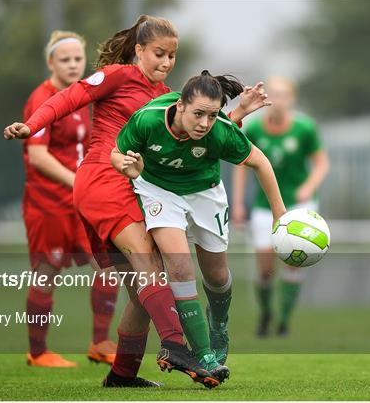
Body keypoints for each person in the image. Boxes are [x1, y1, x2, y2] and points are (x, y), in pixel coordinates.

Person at [5, 15, 224, 389]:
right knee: (148, 263)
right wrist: (34, 125)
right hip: (102, 181)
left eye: (172, 56)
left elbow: (201, 131)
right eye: (159, 54)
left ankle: (122, 376)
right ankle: (175, 345)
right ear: (139, 50)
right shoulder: (118, 76)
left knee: (141, 295)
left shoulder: (168, 98)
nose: (166, 63)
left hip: (131, 189)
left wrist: (238, 114)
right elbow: (70, 96)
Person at [111, 70, 287, 371]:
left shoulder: (220, 130)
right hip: (158, 191)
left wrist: (280, 215)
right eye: (198, 114)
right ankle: (203, 354)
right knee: (179, 266)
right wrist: (126, 164)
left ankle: (219, 325)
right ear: (180, 105)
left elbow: (260, 162)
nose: (205, 123)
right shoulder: (148, 119)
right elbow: (116, 153)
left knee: (217, 277)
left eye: (212, 115)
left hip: (205, 193)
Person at [21, 30, 118, 368]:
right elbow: (38, 156)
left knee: (106, 266)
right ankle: (37, 352)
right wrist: (79, 180)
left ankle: (100, 343)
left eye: (78, 59)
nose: (74, 64)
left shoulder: (82, 97)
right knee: (46, 272)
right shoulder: (42, 98)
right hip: (47, 203)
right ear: (51, 62)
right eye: (65, 59)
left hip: (82, 202)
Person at [232, 76, 330, 337]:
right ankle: (265, 313)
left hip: (299, 205)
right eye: (273, 94)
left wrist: (309, 186)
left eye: (284, 95)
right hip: (265, 207)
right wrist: (239, 203)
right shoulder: (253, 129)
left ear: (292, 99)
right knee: (265, 267)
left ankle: (284, 320)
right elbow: (241, 166)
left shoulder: (304, 129)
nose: (278, 100)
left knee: (293, 262)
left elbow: (322, 163)